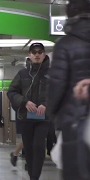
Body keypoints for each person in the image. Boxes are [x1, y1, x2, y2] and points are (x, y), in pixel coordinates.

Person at [47, 1, 90, 179]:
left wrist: (52, 113)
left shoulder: (65, 44)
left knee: (76, 170)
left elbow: (57, 84)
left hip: (74, 118)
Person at [7, 43, 50, 180]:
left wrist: (46, 104)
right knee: (29, 149)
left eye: (40, 52)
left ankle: (35, 177)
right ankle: (33, 175)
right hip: (25, 117)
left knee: (38, 146)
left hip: (43, 118)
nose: (37, 54)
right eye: (34, 52)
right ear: (29, 55)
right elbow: (12, 92)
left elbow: (59, 92)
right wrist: (25, 102)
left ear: (44, 54)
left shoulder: (52, 74)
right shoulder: (22, 74)